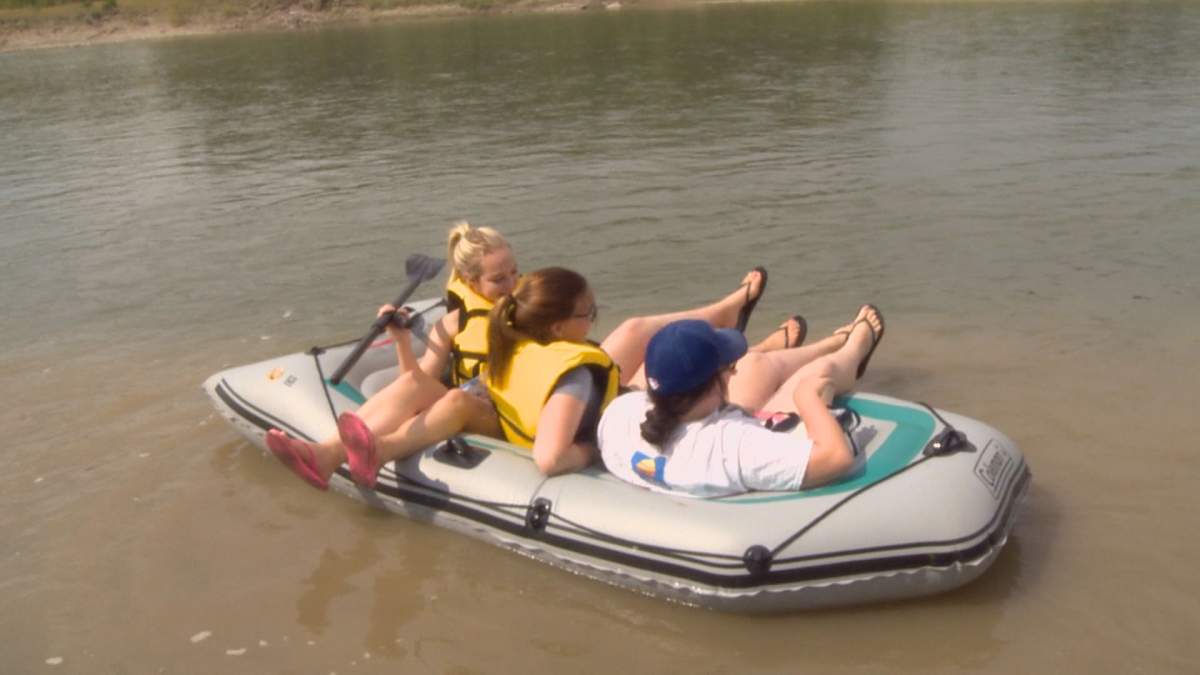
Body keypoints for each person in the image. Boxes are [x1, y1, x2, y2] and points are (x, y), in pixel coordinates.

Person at [331, 265, 774, 480]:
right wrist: (591, 450)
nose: (594, 320)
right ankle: (760, 350)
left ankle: (726, 313)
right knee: (738, 371)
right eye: (588, 314)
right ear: (559, 328)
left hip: (549, 405)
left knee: (634, 328)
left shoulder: (516, 336)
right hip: (571, 419)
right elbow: (550, 457)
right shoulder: (571, 374)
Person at [265, 221, 517, 490]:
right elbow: (416, 384)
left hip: (507, 417)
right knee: (421, 386)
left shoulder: (531, 312)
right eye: (498, 279)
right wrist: (402, 341)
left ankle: (378, 451)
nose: (512, 284)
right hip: (469, 407)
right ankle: (324, 455)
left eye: (514, 272)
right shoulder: (450, 325)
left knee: (457, 398)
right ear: (470, 280)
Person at [597, 306, 885, 498]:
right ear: (714, 382)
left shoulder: (621, 412)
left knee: (755, 364)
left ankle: (827, 344)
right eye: (729, 366)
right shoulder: (732, 447)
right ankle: (854, 348)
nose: (733, 371)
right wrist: (807, 397)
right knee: (818, 374)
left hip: (696, 433)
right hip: (736, 445)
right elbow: (836, 459)